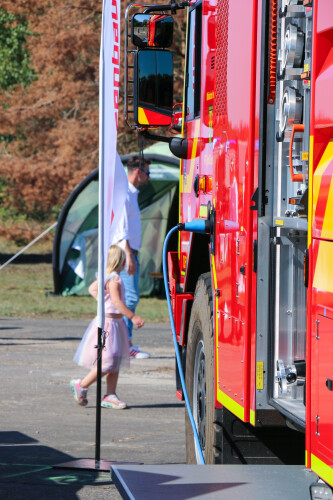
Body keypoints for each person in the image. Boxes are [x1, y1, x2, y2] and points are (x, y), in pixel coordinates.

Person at [70, 244, 145, 409]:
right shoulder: (115, 279)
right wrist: (132, 316)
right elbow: (117, 302)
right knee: (109, 362)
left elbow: (92, 288)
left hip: (115, 324)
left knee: (116, 360)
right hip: (110, 325)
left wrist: (102, 300)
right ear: (122, 261)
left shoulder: (108, 277)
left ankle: (110, 394)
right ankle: (82, 384)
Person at [112, 155, 151, 359]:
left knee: (129, 297)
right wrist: (128, 254)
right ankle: (125, 345)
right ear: (138, 172)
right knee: (129, 297)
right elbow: (121, 227)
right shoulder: (126, 194)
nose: (148, 176)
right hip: (126, 252)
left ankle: (124, 342)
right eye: (147, 172)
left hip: (130, 251)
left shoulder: (132, 193)